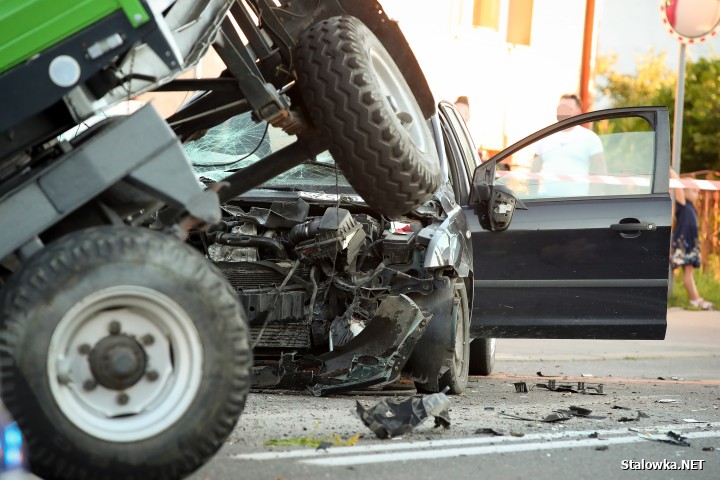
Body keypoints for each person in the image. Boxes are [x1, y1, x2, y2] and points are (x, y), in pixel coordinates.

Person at [530, 93, 606, 197]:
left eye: (568, 108)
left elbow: (600, 171)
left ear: (578, 112)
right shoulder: (544, 136)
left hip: (576, 203)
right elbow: (534, 169)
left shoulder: (590, 138)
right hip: (545, 201)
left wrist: (591, 200)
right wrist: (532, 197)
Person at [670, 169, 713, 310]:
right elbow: (677, 182)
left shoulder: (691, 207)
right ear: (685, 191)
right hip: (685, 243)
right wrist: (670, 169)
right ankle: (694, 299)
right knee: (688, 271)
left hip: (691, 243)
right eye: (694, 190)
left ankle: (696, 298)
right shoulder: (681, 203)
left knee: (689, 271)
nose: (697, 193)